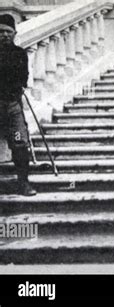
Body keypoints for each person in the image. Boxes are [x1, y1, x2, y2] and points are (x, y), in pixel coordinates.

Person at [0, 14, 36, 197]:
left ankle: (23, 182)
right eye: (0, 32)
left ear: (14, 33)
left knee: (19, 142)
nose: (4, 35)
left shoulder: (19, 54)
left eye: (8, 32)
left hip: (11, 106)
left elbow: (23, 78)